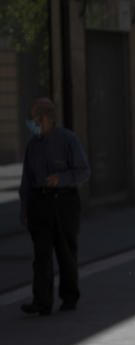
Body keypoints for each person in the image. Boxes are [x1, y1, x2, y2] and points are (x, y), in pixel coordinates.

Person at [18, 97, 90, 316]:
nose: (32, 123)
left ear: (46, 118)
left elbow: (84, 171)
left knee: (66, 251)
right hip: (40, 204)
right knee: (41, 255)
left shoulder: (68, 139)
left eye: (34, 119)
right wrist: (25, 209)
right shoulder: (33, 146)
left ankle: (69, 297)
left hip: (64, 202)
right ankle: (42, 301)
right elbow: (26, 181)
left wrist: (61, 178)